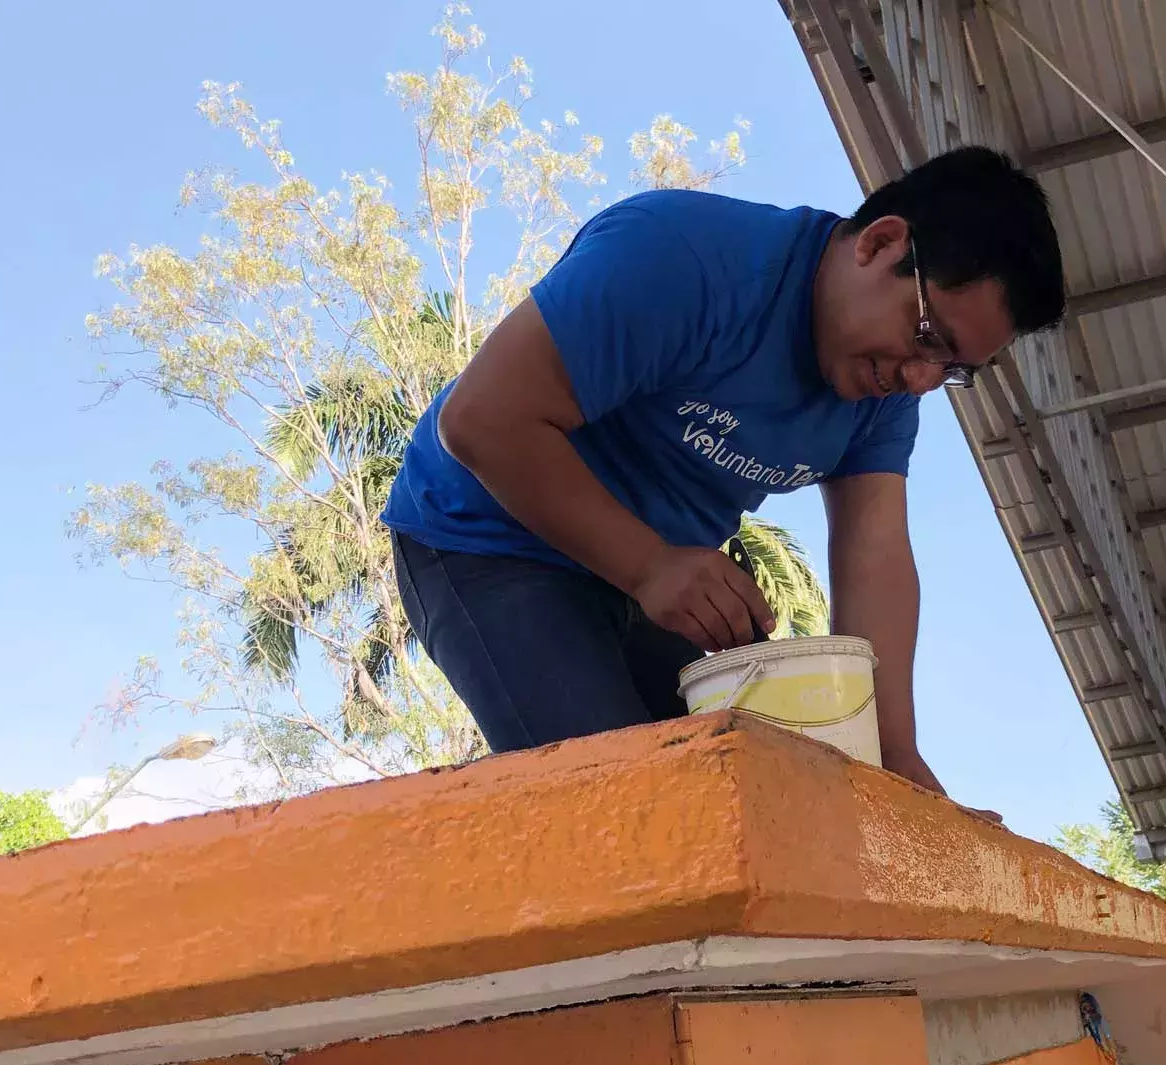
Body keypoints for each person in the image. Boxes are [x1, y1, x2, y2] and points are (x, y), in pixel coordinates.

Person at [381, 145, 1065, 804]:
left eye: (953, 371)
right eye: (927, 337)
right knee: (628, 809)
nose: (920, 380)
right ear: (881, 244)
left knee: (741, 806)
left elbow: (876, 553)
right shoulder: (681, 258)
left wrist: (893, 752)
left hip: (642, 579)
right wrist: (649, 566)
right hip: (486, 535)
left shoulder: (883, 395)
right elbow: (481, 420)